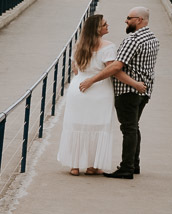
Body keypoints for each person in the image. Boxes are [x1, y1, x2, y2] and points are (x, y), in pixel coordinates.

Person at [57, 15, 146, 176]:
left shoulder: (79, 46)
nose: (107, 25)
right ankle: (92, 166)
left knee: (76, 125)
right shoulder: (108, 46)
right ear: (97, 29)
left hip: (78, 88)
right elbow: (114, 71)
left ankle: (74, 166)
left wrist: (85, 77)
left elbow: (75, 70)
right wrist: (135, 84)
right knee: (97, 126)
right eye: (104, 24)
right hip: (100, 90)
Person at [80, 7, 160, 179]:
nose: (125, 20)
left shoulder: (133, 39)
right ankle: (134, 164)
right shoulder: (153, 38)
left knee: (128, 128)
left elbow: (116, 67)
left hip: (128, 91)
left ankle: (126, 168)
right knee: (134, 127)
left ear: (139, 20)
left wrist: (91, 80)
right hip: (145, 90)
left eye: (129, 18)